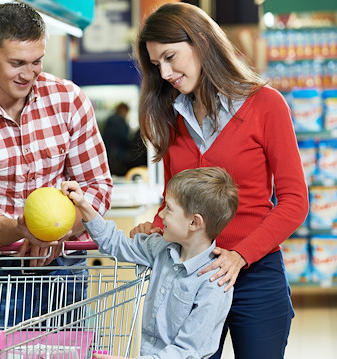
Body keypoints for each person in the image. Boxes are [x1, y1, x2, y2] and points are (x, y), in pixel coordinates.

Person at [130, 3, 309, 358]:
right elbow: (175, 200)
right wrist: (154, 225)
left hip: (255, 277)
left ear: (201, 42)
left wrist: (241, 255)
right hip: (188, 276)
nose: (164, 73)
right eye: (156, 65)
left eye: (170, 57)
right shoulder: (171, 116)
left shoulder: (265, 105)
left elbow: (294, 201)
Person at [0, 2, 112, 332]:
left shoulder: (68, 99)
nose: (29, 74)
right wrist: (22, 227)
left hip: (65, 270)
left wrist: (59, 228)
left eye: (37, 62)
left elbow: (97, 187)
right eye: (17, 63)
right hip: (0, 274)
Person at [63, 166, 238, 359]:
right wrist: (83, 205)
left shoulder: (214, 284)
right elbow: (114, 243)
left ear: (194, 223)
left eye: (169, 209)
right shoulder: (160, 247)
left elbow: (186, 351)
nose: (160, 215)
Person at [102, 103, 132, 176]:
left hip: (109, 153)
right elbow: (123, 137)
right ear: (123, 110)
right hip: (118, 155)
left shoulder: (110, 119)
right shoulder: (120, 121)